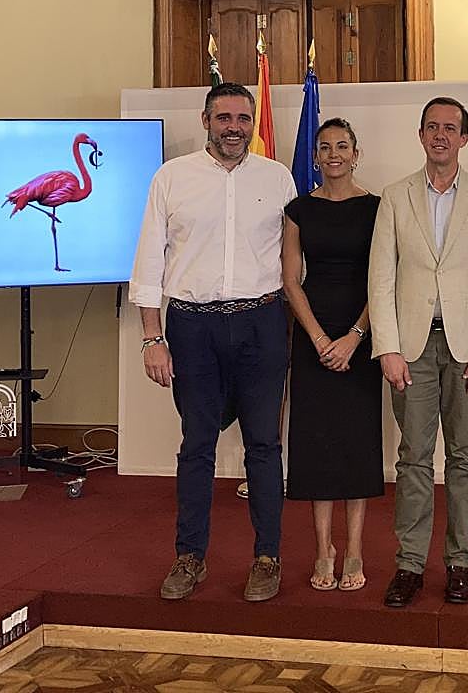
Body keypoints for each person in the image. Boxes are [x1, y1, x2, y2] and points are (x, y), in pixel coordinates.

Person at [130, 82, 297, 603]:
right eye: (223, 117)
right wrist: (151, 339)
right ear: (205, 120)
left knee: (265, 445)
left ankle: (267, 557)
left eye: (243, 119)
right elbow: (149, 262)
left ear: (252, 123)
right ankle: (190, 556)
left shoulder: (279, 178)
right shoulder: (171, 178)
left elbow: (294, 262)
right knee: (196, 444)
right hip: (191, 328)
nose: (234, 128)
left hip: (261, 324)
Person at [368, 96, 468, 607]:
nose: (440, 136)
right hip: (409, 348)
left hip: (467, 348)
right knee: (412, 458)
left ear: (464, 138)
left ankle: (459, 562)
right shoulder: (394, 196)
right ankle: (409, 565)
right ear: (421, 134)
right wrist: (386, 347)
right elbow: (380, 278)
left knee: (465, 457)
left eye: (450, 128)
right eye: (432, 127)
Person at [281, 118, 383, 592]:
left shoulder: (378, 209)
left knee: (356, 444)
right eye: (325, 147)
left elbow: (385, 279)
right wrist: (321, 339)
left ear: (356, 153)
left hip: (362, 336)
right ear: (316, 157)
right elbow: (290, 280)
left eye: (343, 145)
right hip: (312, 337)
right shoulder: (298, 209)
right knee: (318, 444)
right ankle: (324, 549)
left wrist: (354, 336)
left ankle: (357, 550)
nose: (334, 153)